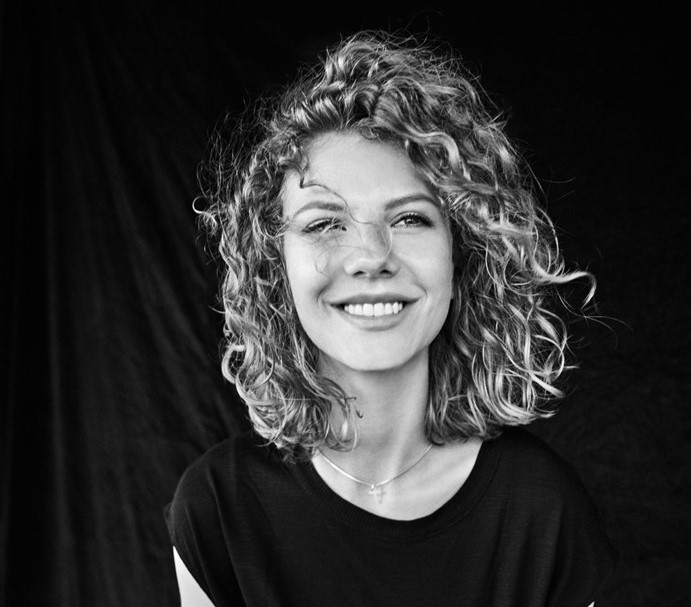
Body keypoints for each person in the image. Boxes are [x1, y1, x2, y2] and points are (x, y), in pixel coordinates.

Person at [165, 30, 616, 607]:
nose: (372, 256)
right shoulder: (218, 509)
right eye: (324, 223)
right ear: (275, 268)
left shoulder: (542, 510)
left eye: (409, 219)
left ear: (462, 255)